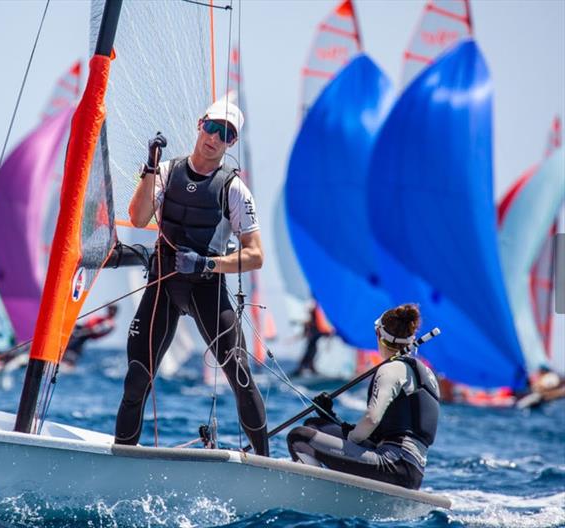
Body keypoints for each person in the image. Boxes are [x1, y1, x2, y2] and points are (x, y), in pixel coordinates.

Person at [114, 100, 269, 456]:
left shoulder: (234, 189)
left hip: (205, 286)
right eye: (212, 127)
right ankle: (122, 458)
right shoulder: (166, 171)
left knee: (240, 375)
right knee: (137, 378)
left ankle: (265, 462)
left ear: (231, 143)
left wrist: (207, 265)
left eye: (226, 134)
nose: (215, 137)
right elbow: (138, 218)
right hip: (164, 284)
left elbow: (255, 255)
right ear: (200, 124)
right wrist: (150, 166)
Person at [286, 304, 440, 489]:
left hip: (393, 464)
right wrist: (332, 418)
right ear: (411, 338)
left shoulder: (390, 369)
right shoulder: (424, 374)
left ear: (379, 336)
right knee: (316, 426)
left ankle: (317, 492)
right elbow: (391, 427)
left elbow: (372, 418)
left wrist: (348, 443)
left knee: (299, 437)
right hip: (411, 470)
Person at [292, 301, 334, 377]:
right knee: (309, 353)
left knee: (311, 353)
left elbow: (325, 332)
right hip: (311, 343)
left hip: (313, 343)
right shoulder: (310, 323)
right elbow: (304, 333)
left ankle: (307, 369)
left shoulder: (316, 324)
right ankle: (302, 370)